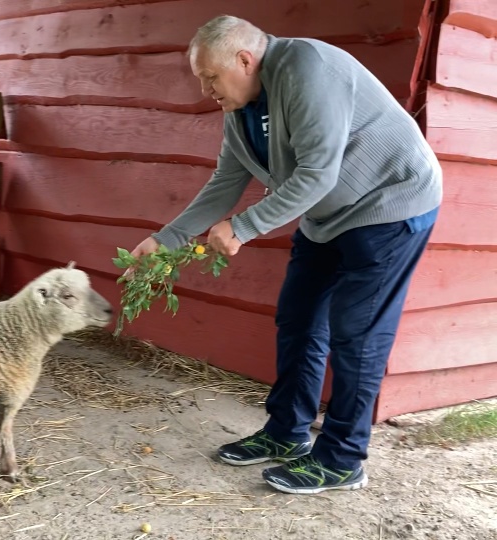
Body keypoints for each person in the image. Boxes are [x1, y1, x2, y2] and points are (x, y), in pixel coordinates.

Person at [127, 15, 443, 495]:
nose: (206, 89)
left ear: (244, 59)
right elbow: (226, 183)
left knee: (356, 335)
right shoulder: (240, 110)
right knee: (298, 319)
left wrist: (246, 226)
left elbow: (318, 173)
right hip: (327, 218)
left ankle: (342, 460)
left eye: (210, 77)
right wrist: (165, 240)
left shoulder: (307, 68)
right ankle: (286, 433)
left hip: (390, 204)